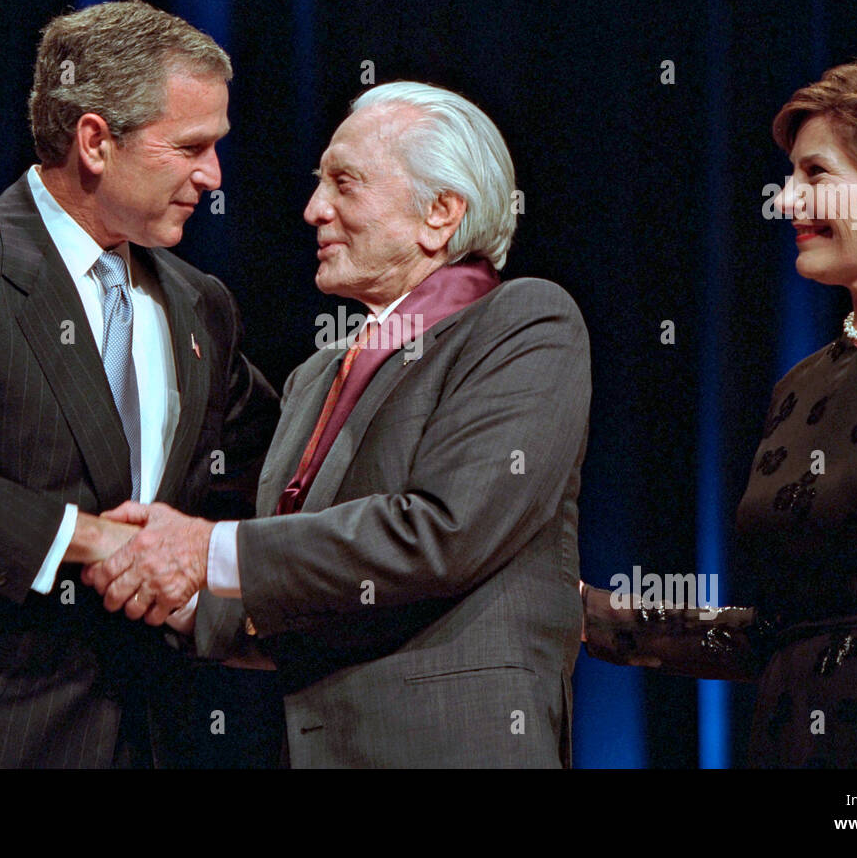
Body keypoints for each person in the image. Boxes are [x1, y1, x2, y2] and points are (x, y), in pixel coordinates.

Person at [0, 0, 278, 767]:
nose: (214, 176)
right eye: (191, 146)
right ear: (96, 141)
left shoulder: (202, 305)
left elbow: (276, 467)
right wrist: (85, 538)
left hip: (149, 738)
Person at [84, 81, 592, 767]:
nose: (313, 210)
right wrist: (180, 597)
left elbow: (444, 532)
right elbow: (317, 586)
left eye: (344, 184)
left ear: (440, 214)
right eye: (319, 183)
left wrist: (208, 551)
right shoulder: (317, 378)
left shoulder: (525, 322)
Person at [582, 46, 857, 768]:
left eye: (816, 174)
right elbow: (782, 633)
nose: (786, 201)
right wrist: (598, 619)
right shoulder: (801, 386)